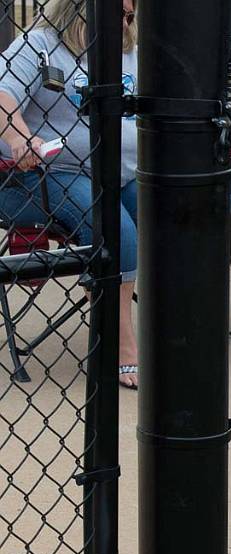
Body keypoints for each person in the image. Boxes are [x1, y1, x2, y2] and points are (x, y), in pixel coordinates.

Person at [0, 0, 141, 388]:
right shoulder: (39, 45)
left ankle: (117, 303)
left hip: (124, 174)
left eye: (130, 15)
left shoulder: (130, 52)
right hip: (43, 175)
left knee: (169, 212)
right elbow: (3, 95)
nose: (126, 22)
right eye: (119, 13)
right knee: (118, 230)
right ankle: (119, 341)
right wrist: (17, 136)